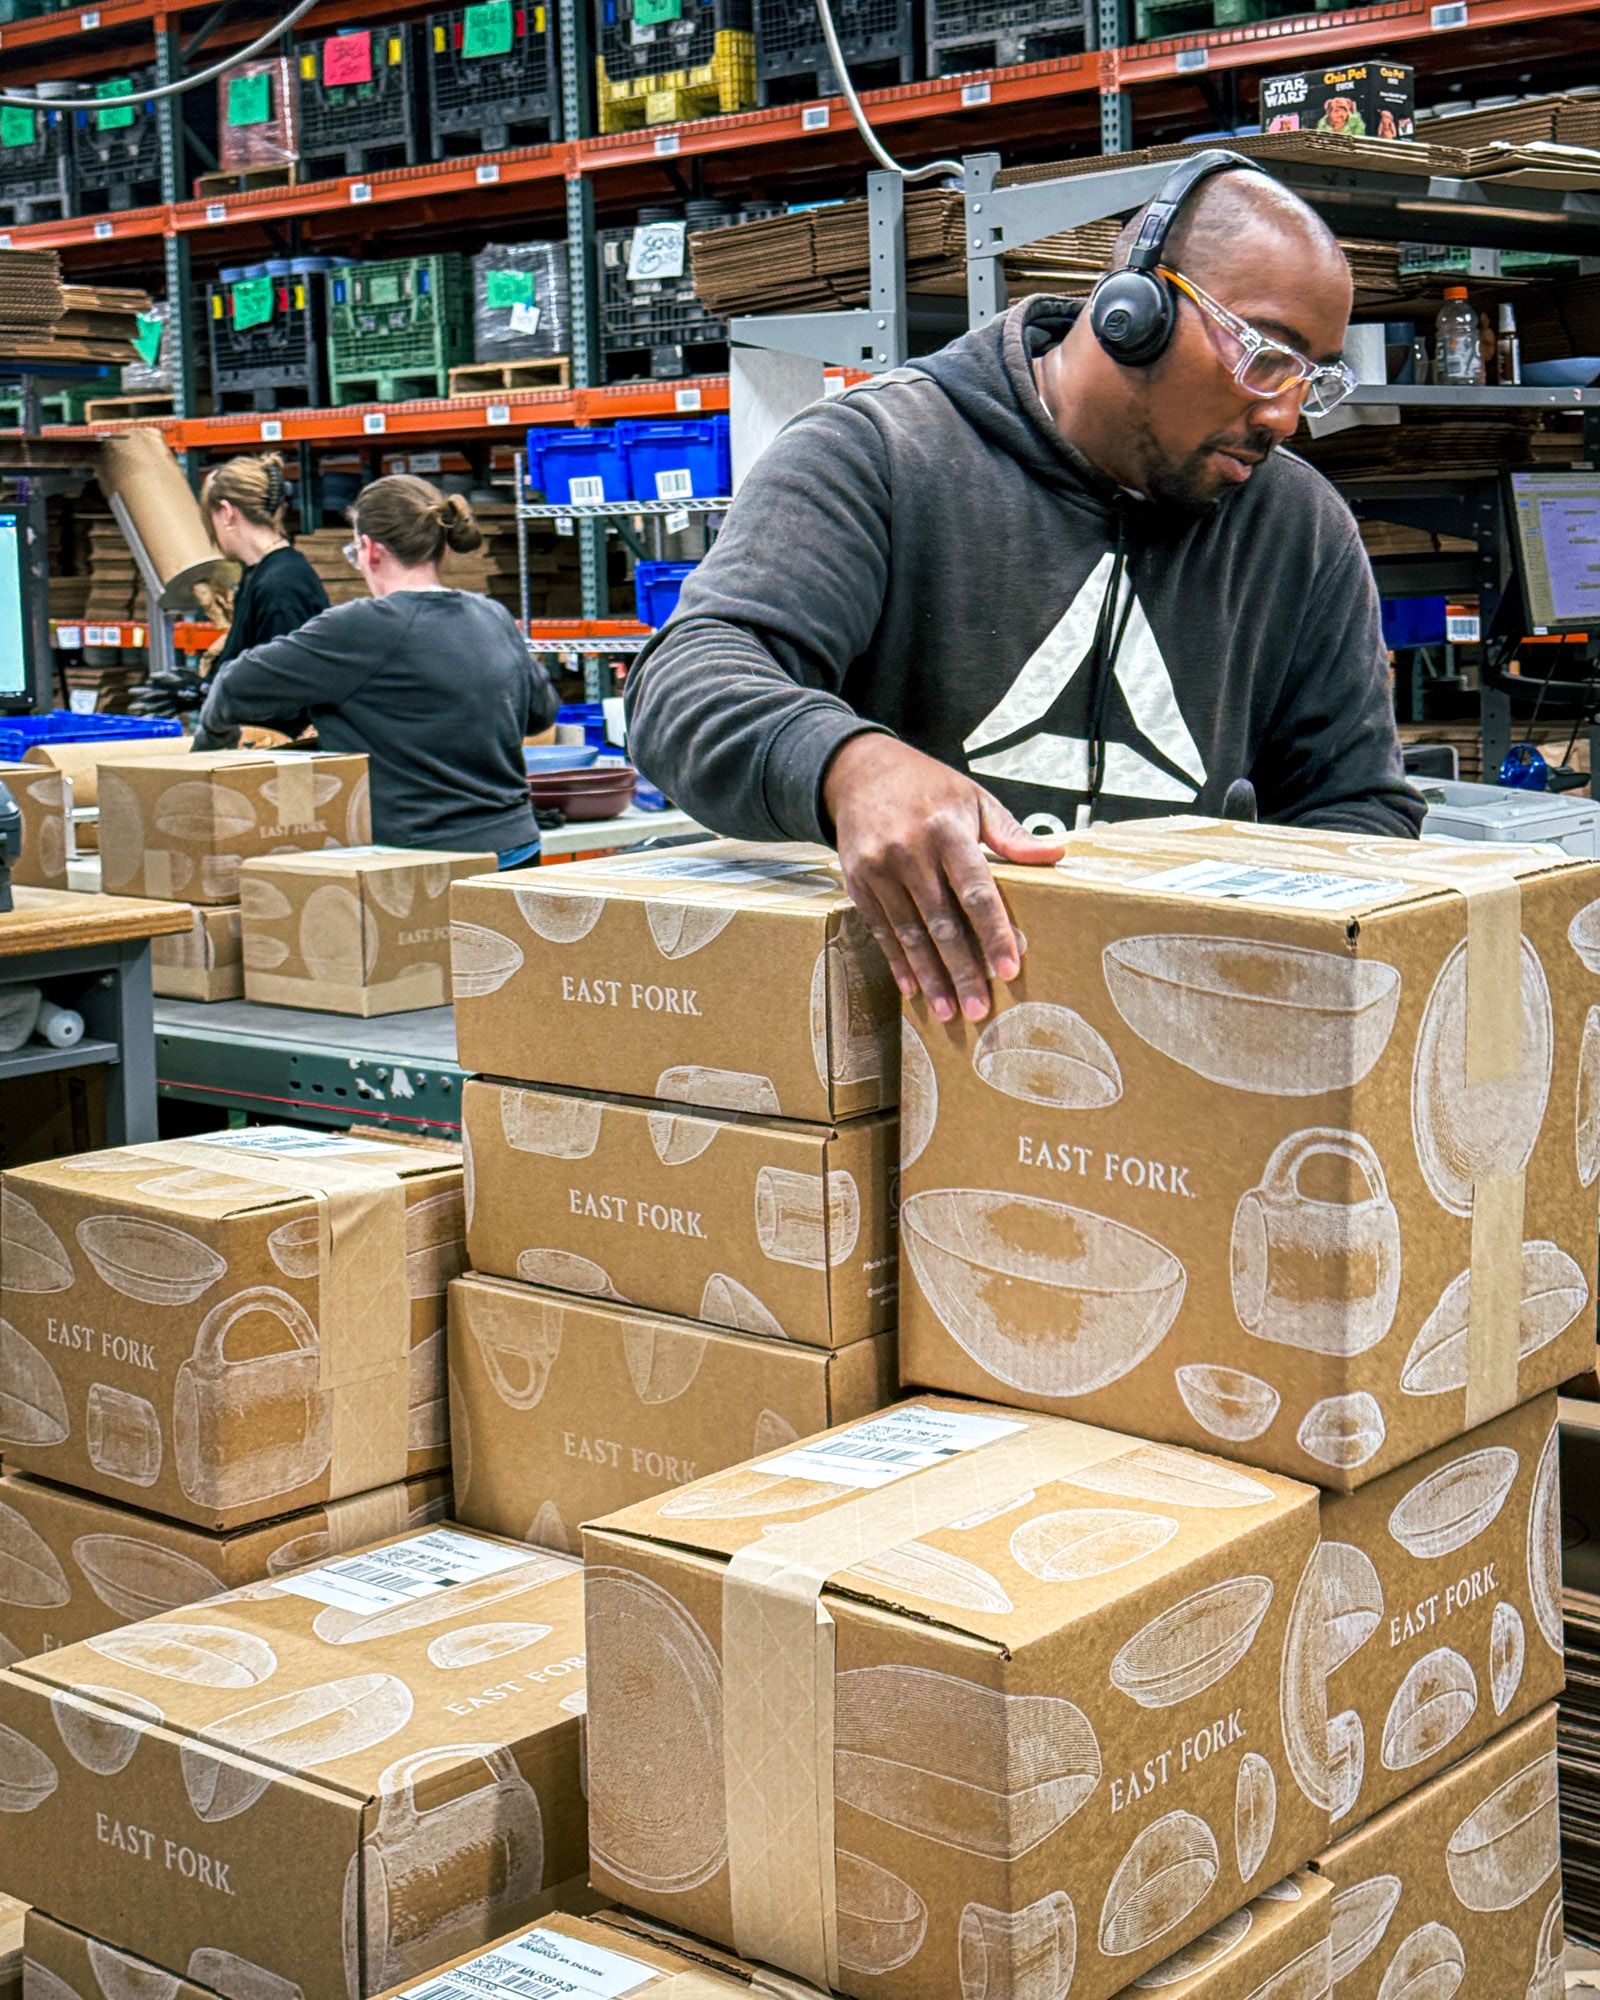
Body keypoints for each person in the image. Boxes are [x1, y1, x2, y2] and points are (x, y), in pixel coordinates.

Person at [624, 152, 1422, 1029]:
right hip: (902, 1038)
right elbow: (686, 682)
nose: (1284, 413)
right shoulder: (882, 453)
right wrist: (849, 765)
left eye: (1315, 377)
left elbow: (1358, 808)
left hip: (1180, 1045)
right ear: (1137, 314)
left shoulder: (1298, 528)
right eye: (1266, 356)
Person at [199, 475, 556, 867]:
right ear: (444, 550)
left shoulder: (360, 627)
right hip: (517, 851)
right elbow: (540, 714)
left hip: (419, 865)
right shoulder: (493, 616)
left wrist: (208, 748)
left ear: (370, 550)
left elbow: (233, 685)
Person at [201, 454, 329, 661]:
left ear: (226, 513)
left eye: (211, 518)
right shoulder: (260, 573)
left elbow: (282, 682)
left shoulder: (280, 587)